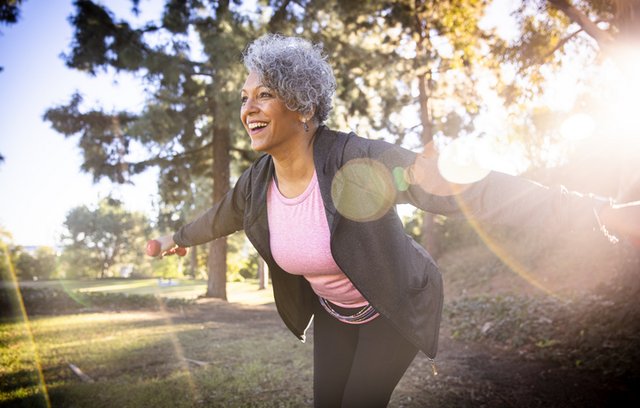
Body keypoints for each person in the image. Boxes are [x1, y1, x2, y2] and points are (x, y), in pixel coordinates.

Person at [150, 33, 640, 407]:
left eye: (264, 95)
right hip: (334, 313)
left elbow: (476, 191)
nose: (248, 108)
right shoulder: (256, 183)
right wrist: (177, 238)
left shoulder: (358, 162)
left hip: (393, 305)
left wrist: (598, 212)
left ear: (302, 106)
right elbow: (219, 218)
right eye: (244, 96)